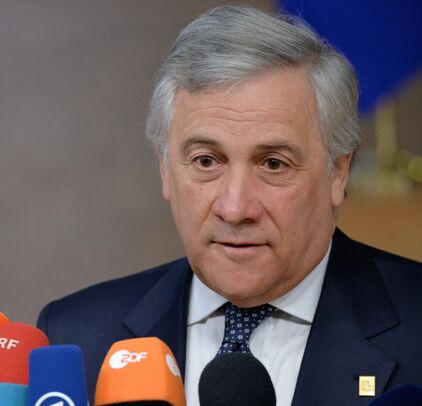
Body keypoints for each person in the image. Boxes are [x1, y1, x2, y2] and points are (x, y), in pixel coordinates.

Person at [37, 5, 422, 405]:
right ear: (165, 169)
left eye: (273, 164)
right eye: (206, 161)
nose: (235, 209)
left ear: (338, 173)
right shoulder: (73, 338)